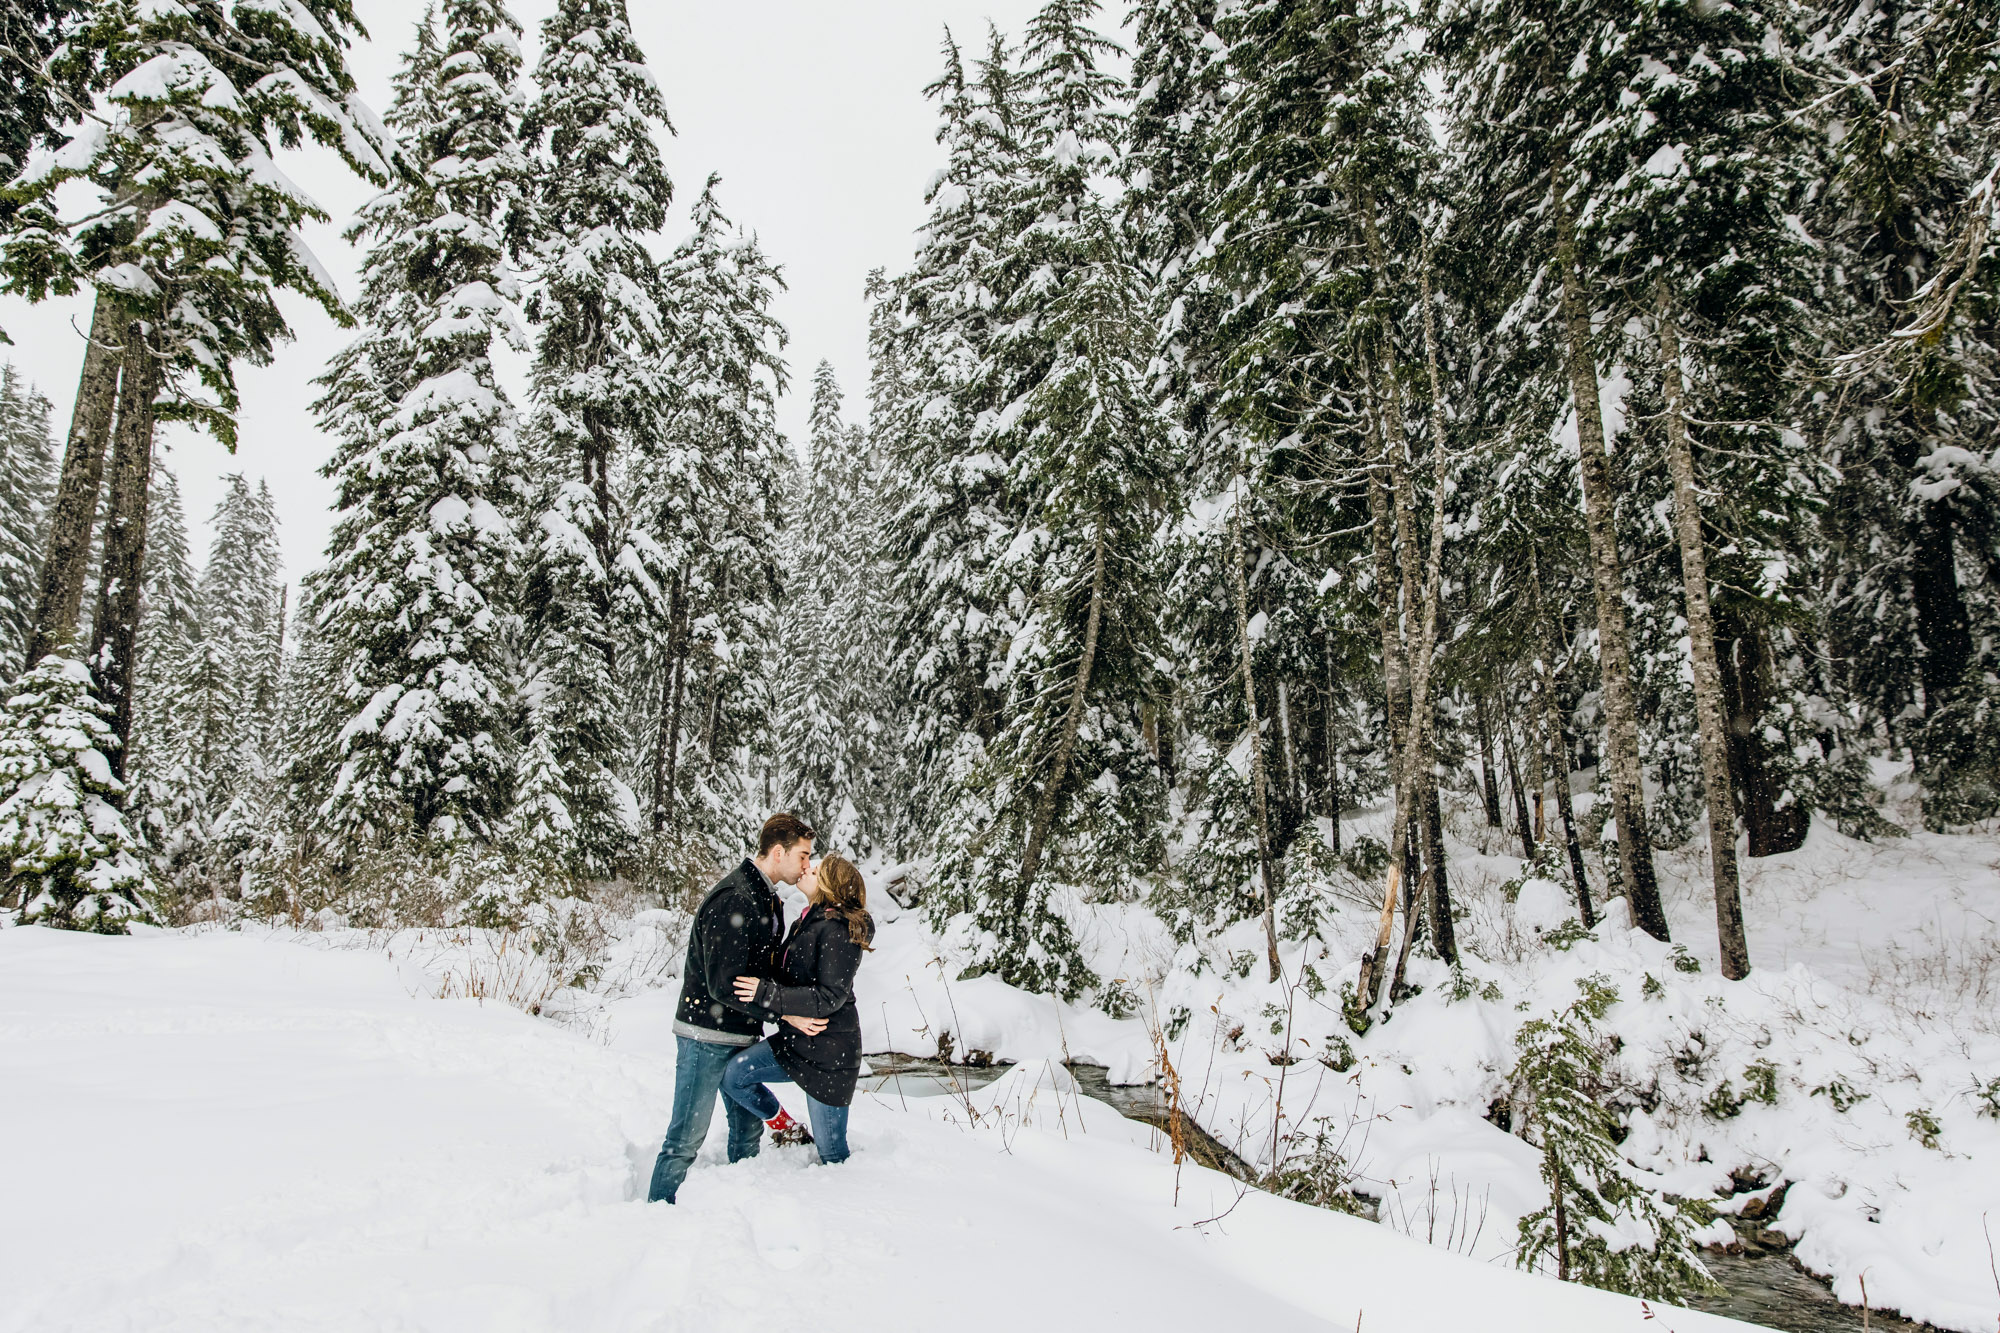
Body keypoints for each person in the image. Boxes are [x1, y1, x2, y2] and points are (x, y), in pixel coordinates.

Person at [645, 813, 824, 1204]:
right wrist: (783, 1013)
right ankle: (656, 1214)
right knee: (685, 1138)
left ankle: (737, 1210)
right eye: (803, 855)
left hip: (743, 1032)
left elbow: (760, 970)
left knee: (747, 1131)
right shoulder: (735, 898)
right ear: (779, 852)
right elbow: (724, 984)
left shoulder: (765, 896)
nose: (808, 865)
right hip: (706, 1036)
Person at [720, 853, 876, 1166]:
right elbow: (790, 975)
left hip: (829, 1054)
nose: (807, 868)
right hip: (797, 1039)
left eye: (815, 869)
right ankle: (786, 1127)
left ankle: (855, 1202)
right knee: (734, 1075)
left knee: (832, 1155)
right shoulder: (809, 919)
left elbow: (829, 996)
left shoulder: (838, 930)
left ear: (830, 886)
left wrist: (767, 994)